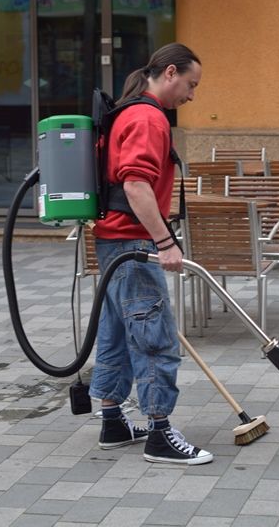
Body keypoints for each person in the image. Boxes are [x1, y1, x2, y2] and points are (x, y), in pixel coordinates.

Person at [89, 43, 213, 465]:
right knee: (154, 338)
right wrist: (165, 242)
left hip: (112, 242)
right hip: (133, 244)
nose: (191, 96)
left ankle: (112, 422)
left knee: (116, 332)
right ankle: (160, 434)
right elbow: (135, 185)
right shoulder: (147, 117)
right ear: (170, 72)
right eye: (191, 85)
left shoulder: (128, 112)